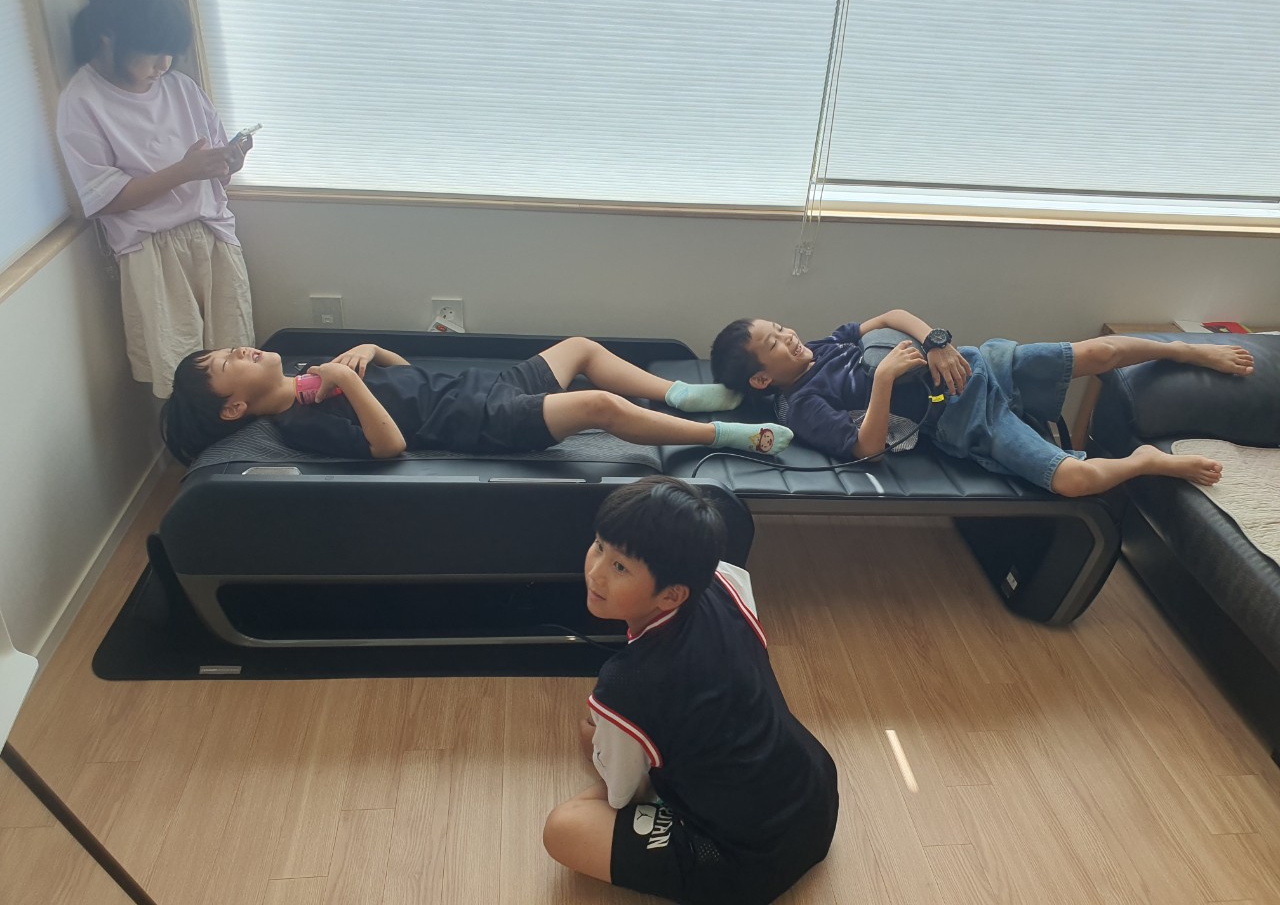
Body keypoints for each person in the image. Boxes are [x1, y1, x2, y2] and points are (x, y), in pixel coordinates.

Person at [543, 477, 838, 904]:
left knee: (564, 826)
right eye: (599, 545)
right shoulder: (725, 581)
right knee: (606, 732)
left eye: (620, 567)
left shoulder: (627, 683)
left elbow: (623, 794)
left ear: (671, 595)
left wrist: (605, 750)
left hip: (747, 858)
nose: (595, 572)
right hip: (813, 793)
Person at [710, 310, 1257, 497]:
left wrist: (935, 341)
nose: (788, 337)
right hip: (963, 416)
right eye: (774, 344)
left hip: (975, 363)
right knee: (1074, 481)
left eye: (780, 327)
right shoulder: (802, 405)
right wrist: (885, 380)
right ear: (761, 379)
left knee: (1102, 352)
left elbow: (892, 316)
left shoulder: (826, 344)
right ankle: (1145, 461)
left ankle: (1188, 349)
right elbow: (866, 448)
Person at [56, 0, 255, 399]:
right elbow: (103, 200)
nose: (164, 64)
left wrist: (228, 162)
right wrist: (184, 171)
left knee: (240, 366)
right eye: (152, 51)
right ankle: (190, 444)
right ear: (109, 36)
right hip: (152, 251)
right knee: (181, 377)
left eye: (171, 51)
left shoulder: (181, 88)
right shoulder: (83, 101)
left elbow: (214, 174)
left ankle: (243, 439)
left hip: (213, 237)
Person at [160, 336, 791, 465]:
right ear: (233, 409)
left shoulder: (309, 373)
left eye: (227, 349)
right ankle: (724, 435)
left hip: (483, 385)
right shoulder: (299, 424)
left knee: (579, 348)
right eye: (223, 365)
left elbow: (408, 380)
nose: (237, 351)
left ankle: (684, 394)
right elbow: (390, 445)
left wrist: (373, 353)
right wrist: (348, 383)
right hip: (483, 420)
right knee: (597, 405)